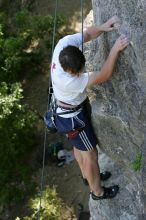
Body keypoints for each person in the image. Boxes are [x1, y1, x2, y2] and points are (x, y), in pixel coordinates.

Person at [51, 15, 129, 200]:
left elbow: (86, 34)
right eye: (78, 71)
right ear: (70, 71)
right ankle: (98, 192)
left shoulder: (64, 45)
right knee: (90, 154)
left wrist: (102, 26)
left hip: (64, 111)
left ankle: (88, 177)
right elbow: (104, 75)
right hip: (73, 117)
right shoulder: (69, 81)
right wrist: (115, 49)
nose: (82, 72)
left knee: (79, 148)